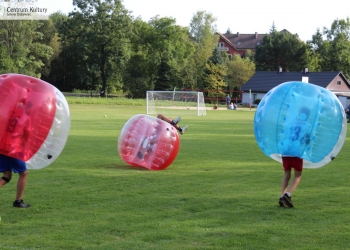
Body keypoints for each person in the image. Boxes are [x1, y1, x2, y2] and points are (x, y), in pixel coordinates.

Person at [0, 100, 31, 208]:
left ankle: (18, 201)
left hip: (2, 147)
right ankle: (18, 201)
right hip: (13, 149)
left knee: (7, 175)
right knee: (24, 173)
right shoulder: (26, 118)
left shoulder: (8, 115)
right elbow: (27, 135)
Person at [278, 107, 311, 208]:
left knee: (286, 174)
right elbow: (307, 140)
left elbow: (284, 134)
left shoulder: (290, 123)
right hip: (296, 152)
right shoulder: (307, 125)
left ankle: (282, 195)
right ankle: (288, 195)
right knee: (298, 175)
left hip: (285, 151)